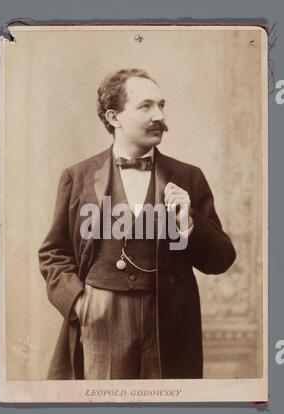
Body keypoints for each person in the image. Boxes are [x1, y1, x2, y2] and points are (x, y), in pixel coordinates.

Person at [38, 68, 236, 380]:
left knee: (165, 408)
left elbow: (222, 259)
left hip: (167, 317)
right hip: (101, 316)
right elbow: (53, 253)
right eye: (145, 106)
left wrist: (188, 222)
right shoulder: (77, 177)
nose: (159, 115)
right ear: (114, 117)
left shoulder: (188, 177)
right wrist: (78, 303)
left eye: (161, 105)